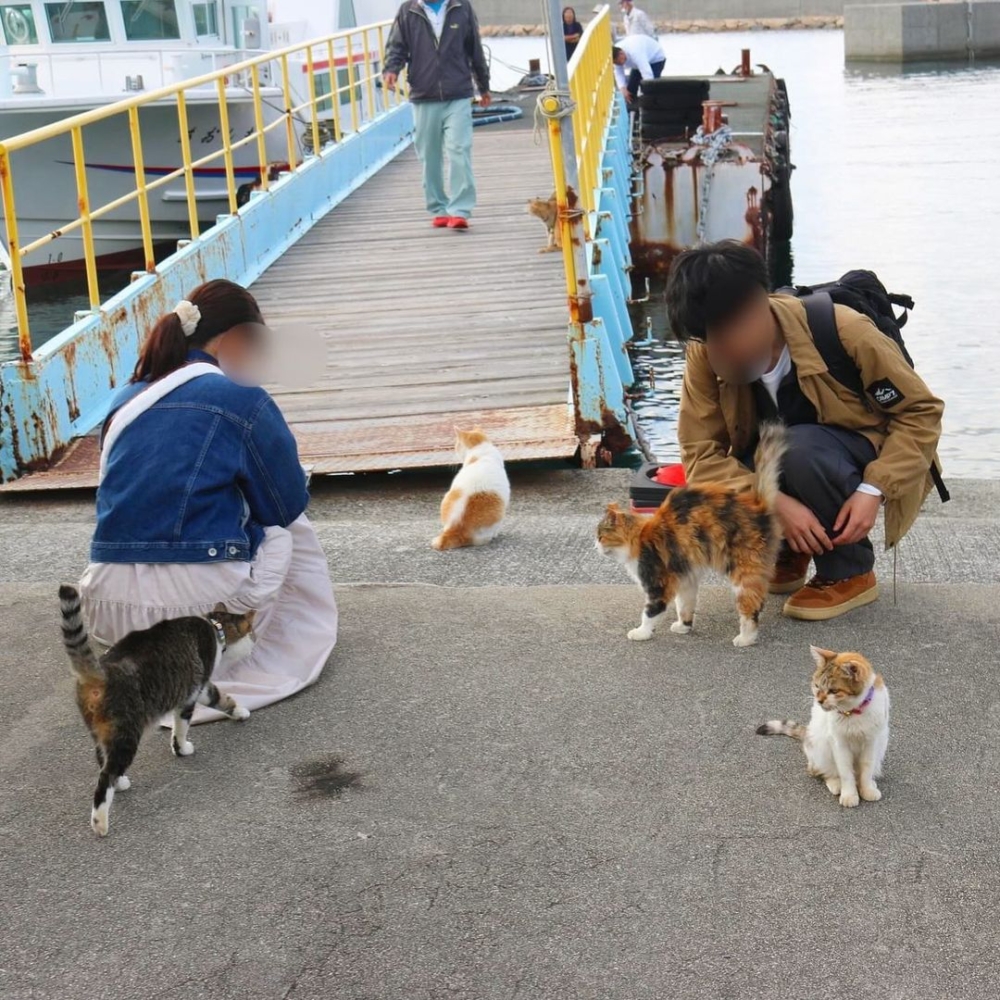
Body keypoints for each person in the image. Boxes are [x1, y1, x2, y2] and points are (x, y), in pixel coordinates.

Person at [79, 279, 338, 722]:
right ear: (235, 338)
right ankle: (273, 646)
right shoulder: (241, 399)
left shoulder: (126, 397)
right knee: (285, 526)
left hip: (107, 608)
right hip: (196, 611)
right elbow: (287, 502)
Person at [667, 241, 944, 622]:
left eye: (725, 333)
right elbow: (699, 453)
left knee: (799, 448)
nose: (718, 349)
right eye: (707, 337)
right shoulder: (705, 353)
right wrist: (773, 503)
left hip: (850, 456)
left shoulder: (845, 330)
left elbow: (921, 412)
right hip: (782, 459)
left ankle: (849, 572)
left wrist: (873, 489)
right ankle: (789, 552)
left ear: (757, 306)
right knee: (751, 459)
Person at [383, 1, 491, 231]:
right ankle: (438, 207)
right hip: (424, 94)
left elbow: (474, 49)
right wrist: (392, 69)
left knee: (459, 149)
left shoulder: (461, 7)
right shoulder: (408, 10)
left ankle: (460, 209)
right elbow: (397, 46)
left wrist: (484, 86)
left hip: (458, 93)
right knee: (429, 155)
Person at [612, 35, 666, 103]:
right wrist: (623, 89)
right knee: (630, 90)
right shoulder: (615, 54)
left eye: (618, 62)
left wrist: (643, 92)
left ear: (621, 54)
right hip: (638, 63)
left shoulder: (635, 52)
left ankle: (652, 105)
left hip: (656, 59)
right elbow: (619, 72)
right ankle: (633, 109)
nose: (619, 64)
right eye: (616, 63)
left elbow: (647, 73)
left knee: (650, 88)